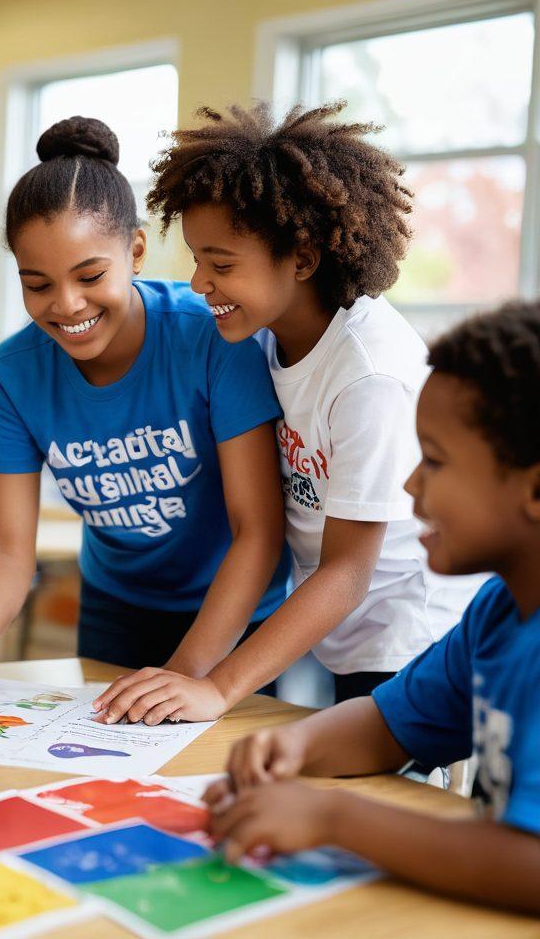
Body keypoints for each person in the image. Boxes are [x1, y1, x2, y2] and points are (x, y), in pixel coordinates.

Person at [97, 102, 478, 724]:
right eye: (196, 258)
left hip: (413, 641)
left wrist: (218, 688)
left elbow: (349, 571)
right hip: (348, 637)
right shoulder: (266, 335)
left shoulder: (369, 375)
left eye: (221, 265)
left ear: (302, 258)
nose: (199, 283)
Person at [0, 116, 288, 709]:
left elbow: (259, 531)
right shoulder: (13, 373)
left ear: (136, 251)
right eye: (37, 284)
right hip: (116, 606)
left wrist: (190, 673)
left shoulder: (212, 338)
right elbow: (9, 546)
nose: (66, 305)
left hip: (234, 614)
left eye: (90, 276)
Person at [203, 301, 540, 913]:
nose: (409, 486)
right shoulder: (498, 612)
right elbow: (390, 724)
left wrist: (335, 816)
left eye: (432, 461)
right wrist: (297, 747)